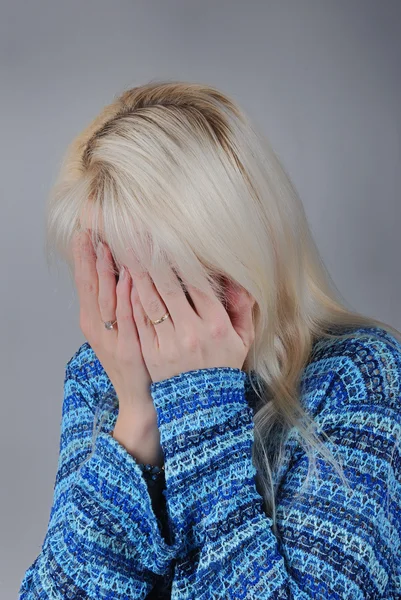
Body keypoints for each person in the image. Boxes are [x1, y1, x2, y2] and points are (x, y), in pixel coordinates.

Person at [19, 81, 401, 599]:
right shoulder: (102, 378)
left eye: (153, 282)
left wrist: (202, 406)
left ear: (232, 263)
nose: (132, 312)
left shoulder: (360, 379)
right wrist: (136, 422)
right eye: (107, 274)